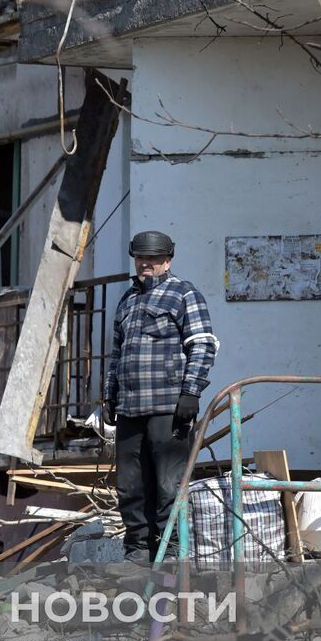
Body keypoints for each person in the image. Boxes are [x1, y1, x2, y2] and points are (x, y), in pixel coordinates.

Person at [103, 230, 218, 565]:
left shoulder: (184, 295)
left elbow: (203, 344)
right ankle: (137, 550)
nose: (146, 264)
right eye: (141, 258)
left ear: (168, 259)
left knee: (169, 483)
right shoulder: (127, 301)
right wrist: (110, 397)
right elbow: (116, 354)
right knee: (130, 485)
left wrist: (190, 393)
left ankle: (170, 549)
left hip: (168, 407)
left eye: (153, 258)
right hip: (130, 409)